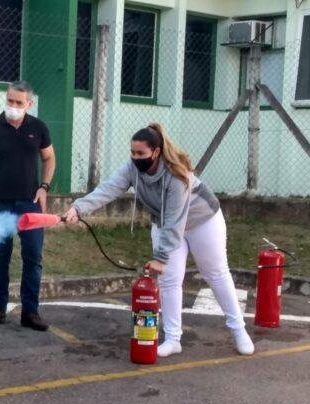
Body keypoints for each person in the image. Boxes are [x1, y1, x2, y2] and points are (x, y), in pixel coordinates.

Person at [64, 123, 254, 357]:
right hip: (165, 224)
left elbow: (175, 219)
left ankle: (239, 330)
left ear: (156, 152)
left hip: (202, 220)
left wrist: (160, 258)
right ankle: (173, 339)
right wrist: (78, 208)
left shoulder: (177, 175)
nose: (135, 158)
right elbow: (108, 189)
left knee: (215, 273)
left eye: (140, 153)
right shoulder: (131, 169)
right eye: (132, 153)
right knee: (169, 281)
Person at [0, 81, 56, 331]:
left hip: (30, 204)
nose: (13, 106)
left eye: (19, 102)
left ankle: (30, 312)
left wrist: (44, 187)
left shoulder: (38, 128)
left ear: (29, 104)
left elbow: (49, 158)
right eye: (10, 101)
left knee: (33, 258)